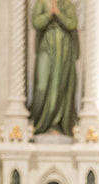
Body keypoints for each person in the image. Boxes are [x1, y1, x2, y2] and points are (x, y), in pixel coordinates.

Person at [28, 0, 78, 137]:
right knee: (42, 86)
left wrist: (59, 14)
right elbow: (36, 22)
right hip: (47, 46)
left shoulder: (68, 4)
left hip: (64, 49)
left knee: (61, 84)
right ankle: (39, 123)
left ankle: (59, 124)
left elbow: (72, 23)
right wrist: (49, 14)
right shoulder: (42, 2)